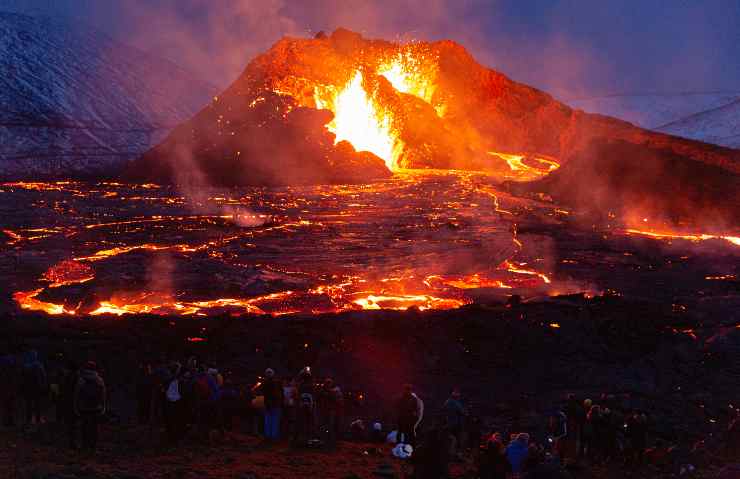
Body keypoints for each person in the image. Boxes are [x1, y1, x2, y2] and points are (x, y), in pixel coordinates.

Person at [74, 361, 106, 453]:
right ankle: (93, 447)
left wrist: (76, 406)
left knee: (84, 427)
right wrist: (103, 406)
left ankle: (85, 446)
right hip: (96, 407)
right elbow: (103, 394)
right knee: (94, 428)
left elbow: (77, 394)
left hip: (83, 407)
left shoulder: (81, 379)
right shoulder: (99, 379)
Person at [21, 349, 47, 426]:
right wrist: (43, 385)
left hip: (30, 388)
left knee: (30, 405)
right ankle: (36, 419)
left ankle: (30, 419)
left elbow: (22, 378)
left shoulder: (27, 366)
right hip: (36, 388)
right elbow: (43, 377)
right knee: (36, 404)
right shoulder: (39, 365)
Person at [59, 360, 79, 449]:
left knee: (70, 423)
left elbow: (62, 389)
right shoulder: (78, 377)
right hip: (76, 402)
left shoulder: (66, 377)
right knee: (75, 423)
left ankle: (71, 441)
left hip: (68, 401)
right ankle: (73, 442)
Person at [259, 368, 284, 441]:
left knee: (269, 420)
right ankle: (273, 436)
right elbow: (280, 394)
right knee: (274, 420)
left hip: (270, 404)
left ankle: (269, 435)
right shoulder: (277, 383)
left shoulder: (265, 383)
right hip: (274, 404)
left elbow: (263, 393)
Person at [318, 378, 343, 447]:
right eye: (327, 383)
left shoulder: (335, 390)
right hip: (326, 410)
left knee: (331, 425)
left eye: (328, 383)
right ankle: (326, 439)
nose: (327, 385)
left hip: (332, 410)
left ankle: (332, 440)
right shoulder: (325, 391)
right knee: (326, 425)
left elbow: (337, 398)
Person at [163, 362, 184, 445]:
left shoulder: (173, 379)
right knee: (173, 421)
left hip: (173, 401)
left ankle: (173, 438)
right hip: (172, 402)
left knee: (173, 421)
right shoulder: (172, 379)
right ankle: (173, 439)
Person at [294, 367, 315, 446]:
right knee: (307, 422)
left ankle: (301, 438)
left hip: (304, 405)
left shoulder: (302, 385)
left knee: (302, 421)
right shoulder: (308, 385)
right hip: (306, 405)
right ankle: (305, 438)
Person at [0, 352, 19, 427]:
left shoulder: (8, 372)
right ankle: (8, 421)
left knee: (8, 406)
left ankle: (8, 421)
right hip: (7, 389)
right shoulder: (9, 372)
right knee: (8, 406)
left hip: (7, 389)